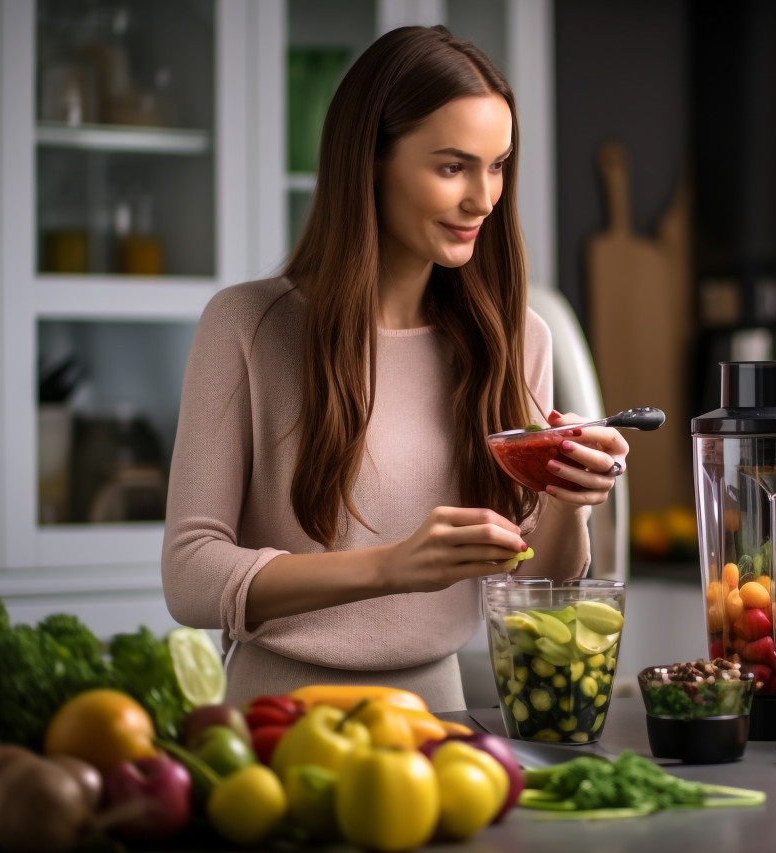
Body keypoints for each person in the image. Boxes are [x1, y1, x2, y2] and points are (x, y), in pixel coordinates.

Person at [161, 25, 630, 712]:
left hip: (440, 719)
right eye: (452, 167)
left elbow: (541, 585)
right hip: (276, 718)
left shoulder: (513, 338)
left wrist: (571, 497)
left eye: (497, 165)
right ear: (370, 163)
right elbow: (190, 575)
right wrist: (390, 568)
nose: (484, 199)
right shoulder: (247, 326)